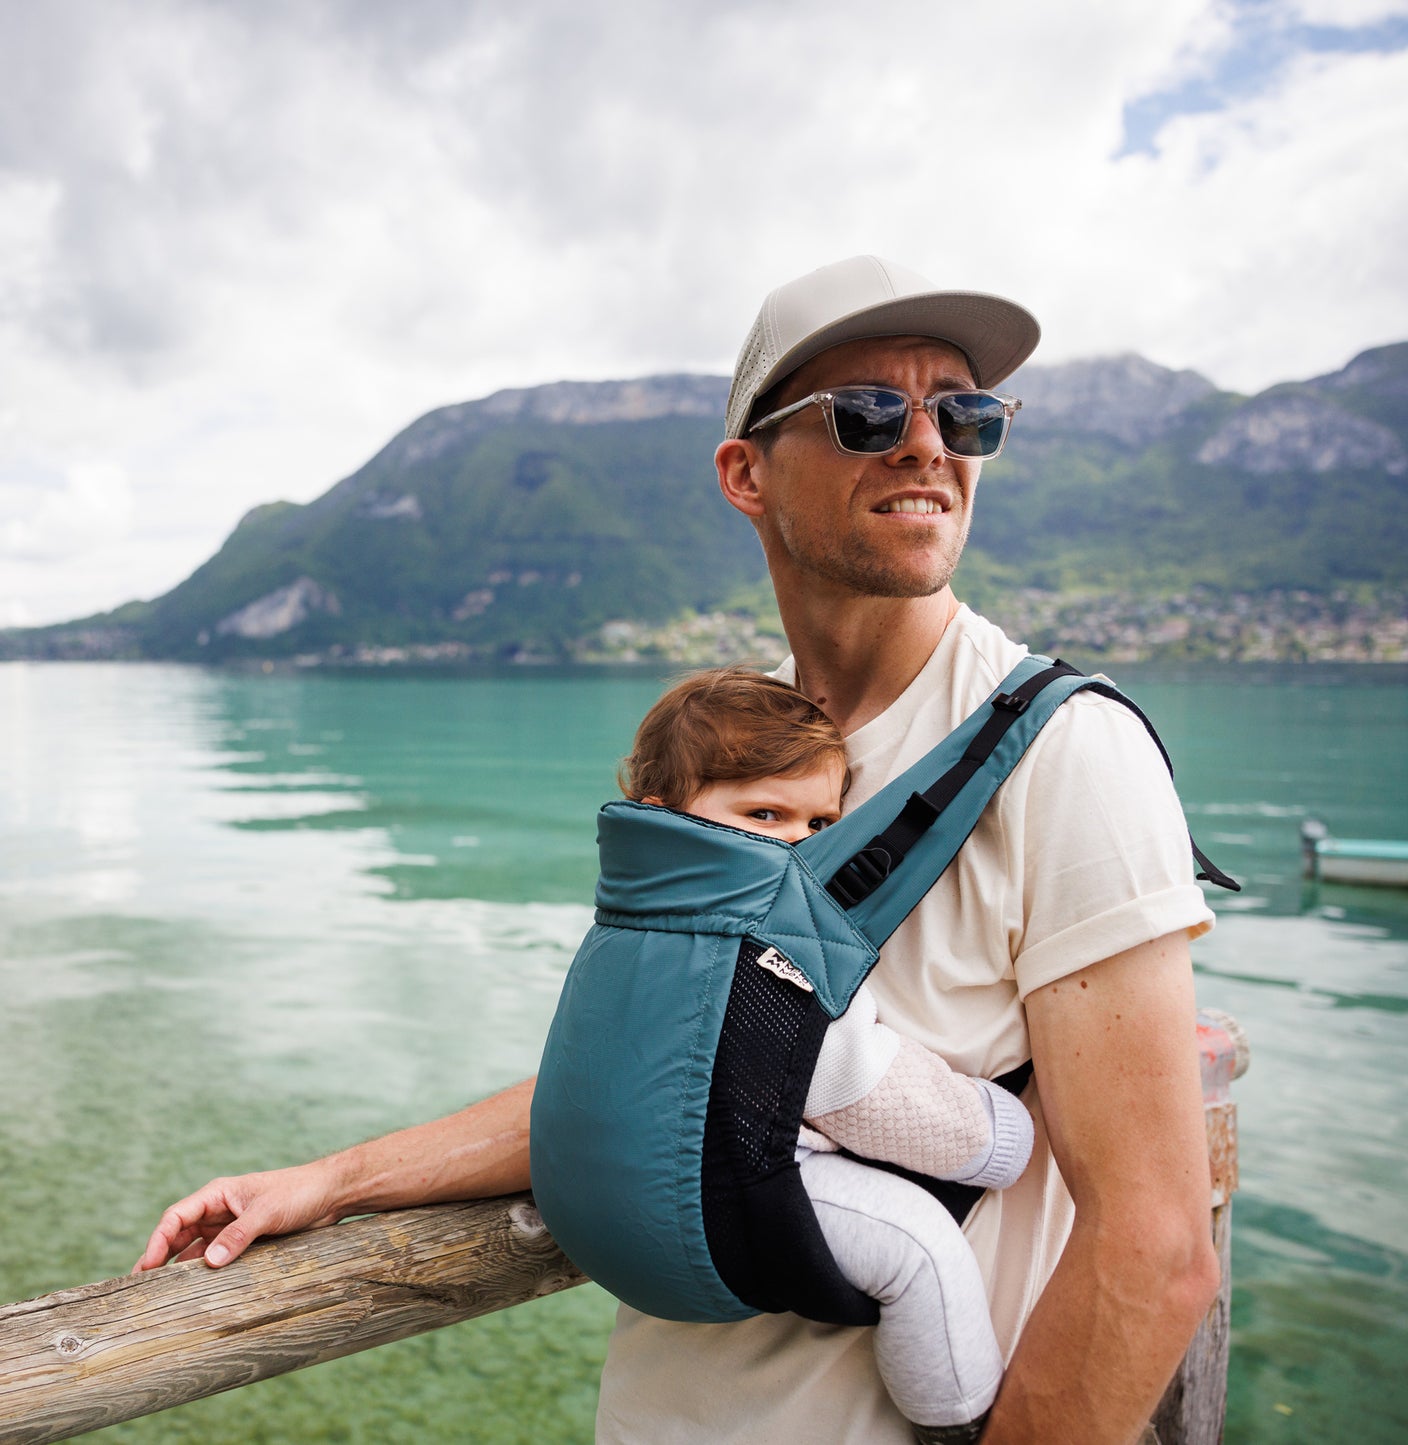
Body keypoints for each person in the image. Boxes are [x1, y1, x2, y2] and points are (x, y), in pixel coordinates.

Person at [137, 255, 1220, 1445]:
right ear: (743, 473)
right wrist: (332, 1182)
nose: (926, 445)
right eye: (868, 412)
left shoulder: (1065, 751)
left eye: (963, 413)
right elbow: (673, 1075)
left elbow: (1154, 1247)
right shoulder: (747, 761)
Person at [615, 664, 1036, 1443]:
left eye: (818, 824)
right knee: (919, 1245)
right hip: (718, 1186)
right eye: (765, 812)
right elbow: (857, 1082)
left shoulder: (633, 916)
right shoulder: (768, 947)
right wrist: (1003, 1137)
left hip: (631, 1173)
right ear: (665, 816)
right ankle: (957, 1420)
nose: (799, 846)